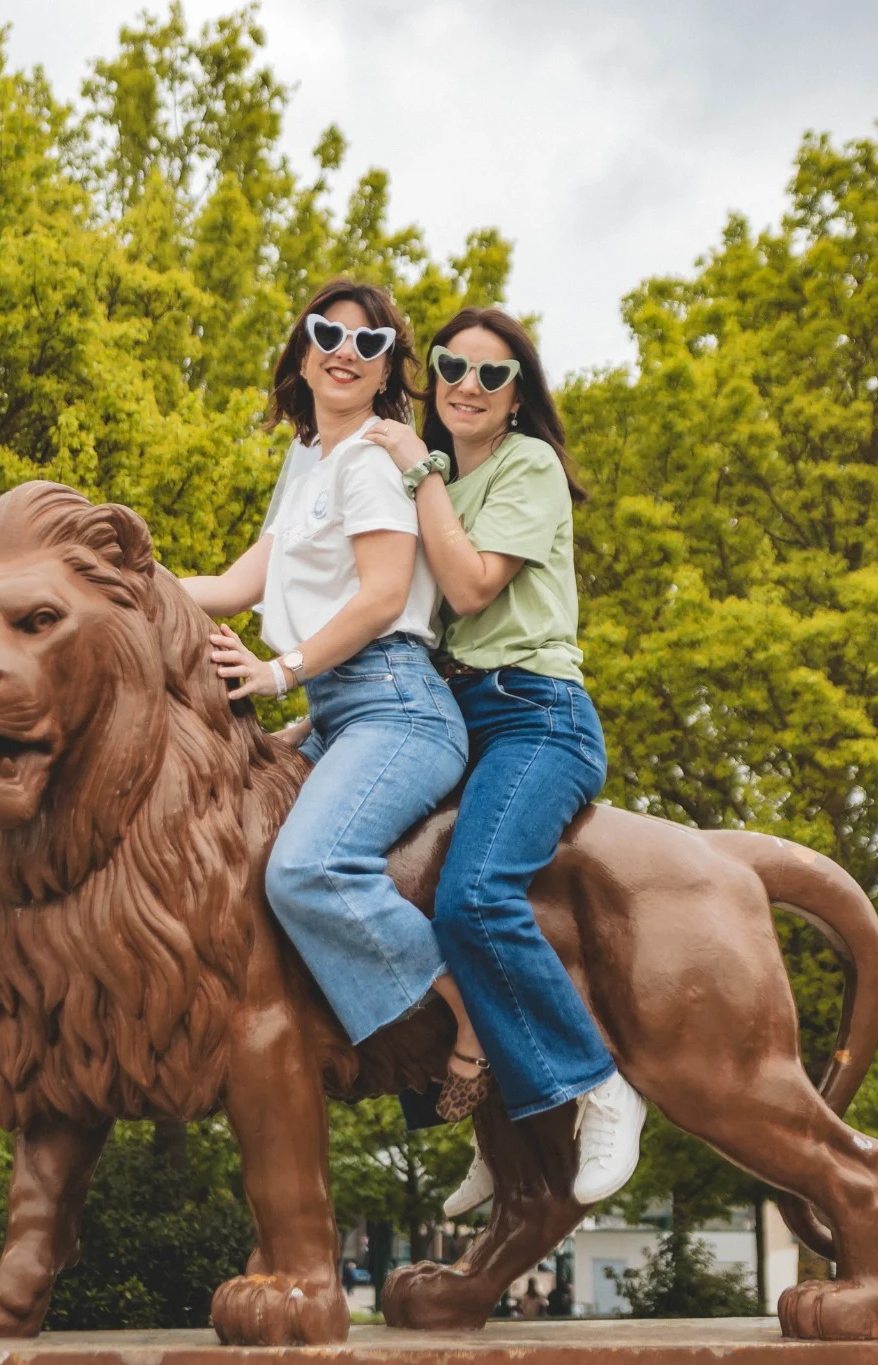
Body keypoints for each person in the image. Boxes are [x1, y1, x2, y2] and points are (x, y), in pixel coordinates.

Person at [363, 307, 648, 1208]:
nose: (466, 385)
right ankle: (500, 1122)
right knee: (355, 875)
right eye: (452, 365)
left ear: (517, 393)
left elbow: (470, 585)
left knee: (474, 894)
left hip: (535, 715)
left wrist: (417, 473)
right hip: (445, 718)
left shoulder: (527, 467)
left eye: (491, 375)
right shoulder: (433, 475)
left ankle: (599, 1087)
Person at [182, 279, 489, 1107]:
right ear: (303, 347)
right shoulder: (310, 459)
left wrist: (280, 670)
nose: (345, 351)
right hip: (333, 712)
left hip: (395, 706)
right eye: (329, 332)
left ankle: (472, 1011)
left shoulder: (365, 462)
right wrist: (107, 583)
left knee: (307, 868)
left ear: (388, 370)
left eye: (369, 342)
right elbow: (238, 582)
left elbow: (385, 596)